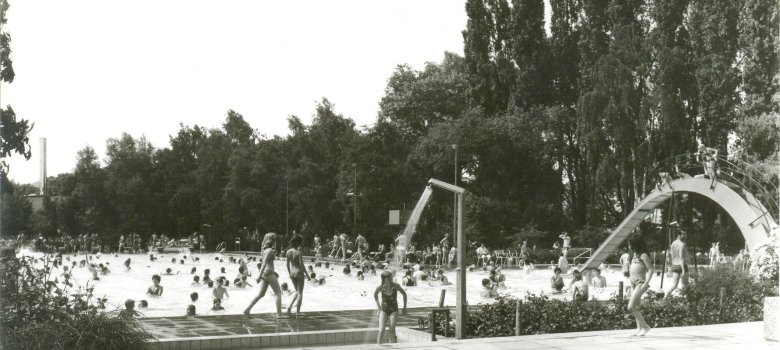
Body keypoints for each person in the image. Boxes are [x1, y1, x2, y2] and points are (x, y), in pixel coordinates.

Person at [243, 232, 285, 318]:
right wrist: (259, 276)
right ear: (271, 241)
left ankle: (247, 310)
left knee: (261, 294)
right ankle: (279, 314)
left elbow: (265, 263)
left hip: (265, 275)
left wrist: (261, 275)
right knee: (278, 293)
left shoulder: (264, 251)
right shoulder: (269, 251)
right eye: (274, 240)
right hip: (269, 273)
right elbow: (264, 263)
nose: (275, 242)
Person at [627, 235, 653, 336]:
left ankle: (646, 327)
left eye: (630, 245)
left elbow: (651, 269)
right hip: (633, 283)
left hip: (641, 283)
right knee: (637, 307)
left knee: (631, 307)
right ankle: (639, 329)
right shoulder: (634, 255)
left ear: (635, 245)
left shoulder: (643, 255)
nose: (629, 246)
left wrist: (646, 283)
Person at [374, 270, 407, 344]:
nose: (390, 280)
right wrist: (379, 308)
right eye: (388, 278)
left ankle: (393, 345)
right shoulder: (380, 287)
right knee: (381, 330)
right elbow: (375, 295)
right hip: (384, 309)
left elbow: (404, 294)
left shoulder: (396, 286)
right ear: (384, 279)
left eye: (391, 278)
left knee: (391, 329)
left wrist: (404, 307)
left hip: (394, 309)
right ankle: (378, 347)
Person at [285, 234, 310, 317]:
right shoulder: (299, 252)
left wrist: (289, 273)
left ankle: (289, 307)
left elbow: (287, 265)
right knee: (300, 293)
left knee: (297, 292)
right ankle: (298, 312)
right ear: (299, 242)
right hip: (299, 273)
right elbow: (301, 265)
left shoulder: (288, 251)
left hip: (292, 273)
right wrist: (307, 275)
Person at [665, 231, 688, 297]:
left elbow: (672, 256)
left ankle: (666, 295)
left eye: (685, 234)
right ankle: (686, 299)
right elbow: (681, 257)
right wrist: (683, 270)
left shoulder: (673, 243)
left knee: (674, 285)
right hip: (681, 265)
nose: (685, 235)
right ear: (679, 235)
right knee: (685, 284)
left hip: (675, 265)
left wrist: (671, 266)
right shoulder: (682, 244)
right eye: (683, 234)